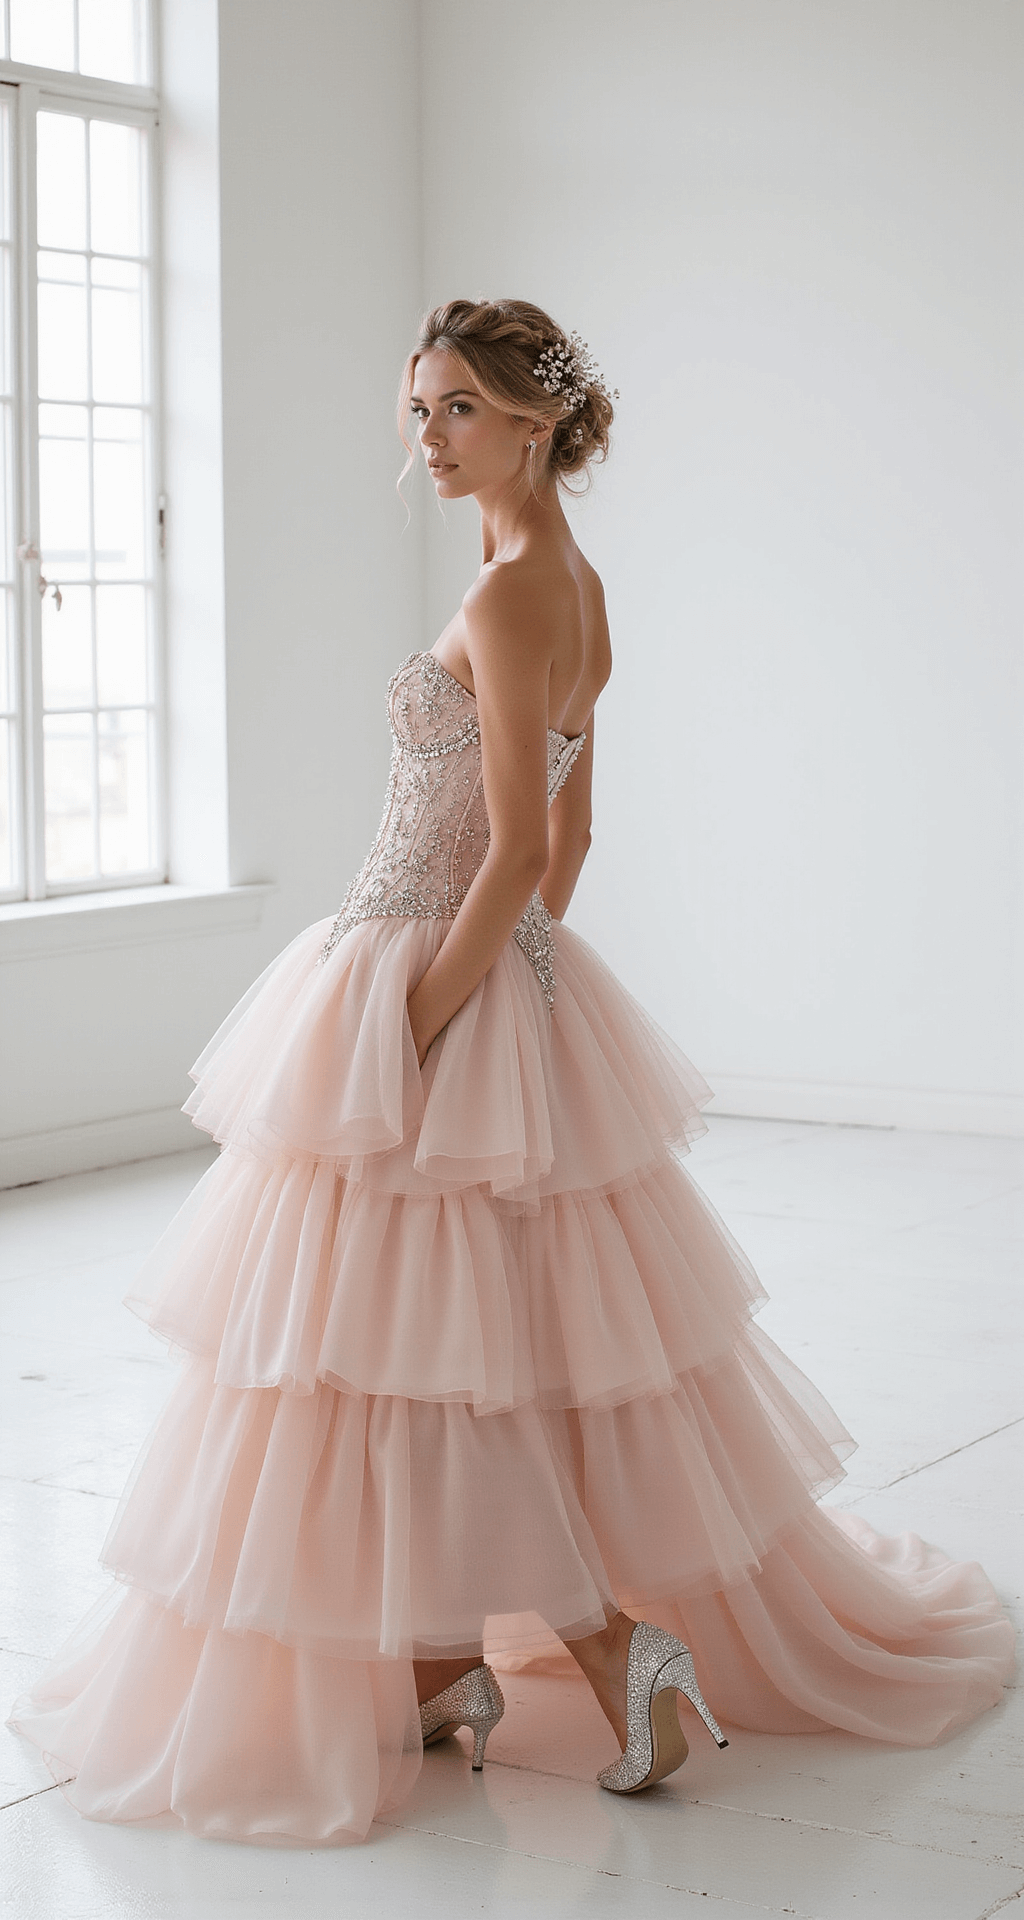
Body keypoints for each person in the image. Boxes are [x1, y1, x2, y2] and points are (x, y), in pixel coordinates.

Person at [10, 298, 1014, 1845]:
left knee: (396, 1355)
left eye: (457, 409)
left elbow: (526, 845)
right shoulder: (564, 585)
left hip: (425, 966)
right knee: (439, 1348)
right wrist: (524, 1008)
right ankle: (436, 1665)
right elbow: (575, 840)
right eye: (419, 408)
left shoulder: (510, 595)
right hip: (488, 974)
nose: (426, 437)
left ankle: (617, 1650)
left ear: (535, 423)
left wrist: (422, 1030)